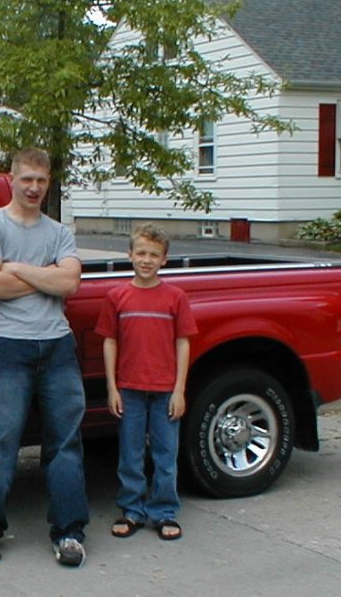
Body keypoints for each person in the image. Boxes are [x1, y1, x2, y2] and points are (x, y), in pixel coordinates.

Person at [0, 147, 89, 567]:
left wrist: (16, 268)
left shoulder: (59, 232)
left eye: (41, 180)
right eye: (27, 180)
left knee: (65, 443)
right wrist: (45, 279)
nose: (34, 187)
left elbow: (70, 282)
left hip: (57, 345)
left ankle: (69, 533)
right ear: (12, 180)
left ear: (48, 181)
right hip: (8, 345)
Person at [95, 224, 197, 542]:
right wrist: (112, 387)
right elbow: (109, 341)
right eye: (141, 253)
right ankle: (132, 509)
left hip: (165, 389)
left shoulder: (175, 298)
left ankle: (164, 511)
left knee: (166, 454)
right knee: (130, 453)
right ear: (130, 255)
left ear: (165, 260)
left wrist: (179, 389)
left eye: (154, 255)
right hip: (130, 389)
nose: (147, 260)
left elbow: (183, 342)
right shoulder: (117, 297)